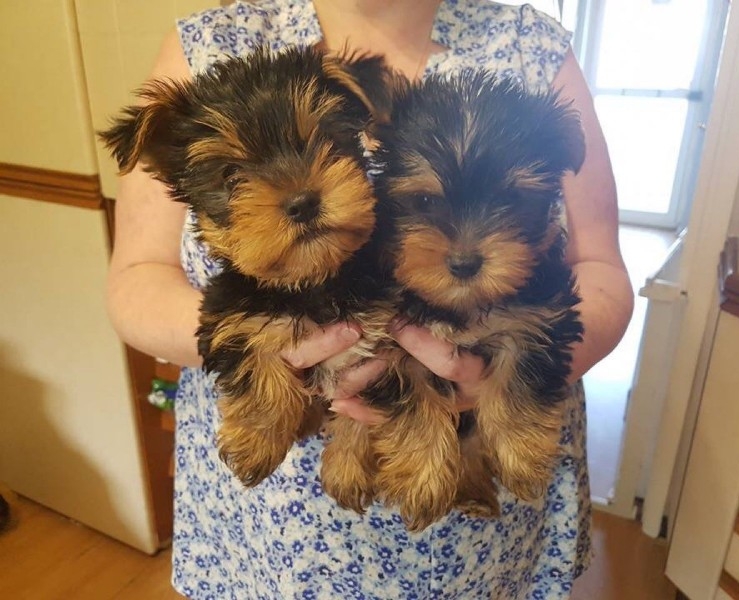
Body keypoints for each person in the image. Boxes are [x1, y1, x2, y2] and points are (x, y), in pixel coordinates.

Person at [107, 0, 633, 597]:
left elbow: (600, 266)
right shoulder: (211, 42)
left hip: (492, 524)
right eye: (234, 180)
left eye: (326, 149)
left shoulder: (534, 49)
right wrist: (262, 353)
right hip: (273, 531)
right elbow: (135, 277)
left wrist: (514, 371)